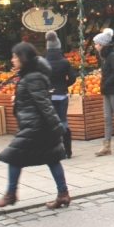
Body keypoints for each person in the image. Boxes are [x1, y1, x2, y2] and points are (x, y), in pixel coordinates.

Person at [0, 42, 69, 209]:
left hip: (36, 126)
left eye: (15, 56)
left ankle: (10, 195)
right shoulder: (29, 75)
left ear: (23, 57)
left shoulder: (33, 77)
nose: (12, 59)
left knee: (13, 155)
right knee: (52, 158)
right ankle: (63, 194)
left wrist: (58, 129)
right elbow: (36, 100)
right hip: (36, 124)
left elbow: (44, 104)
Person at [44, 31, 76, 159]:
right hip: (62, 95)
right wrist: (64, 85)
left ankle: (54, 149)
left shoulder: (44, 62)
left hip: (50, 95)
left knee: (52, 122)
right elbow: (73, 78)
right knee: (63, 121)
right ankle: (68, 150)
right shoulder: (65, 62)